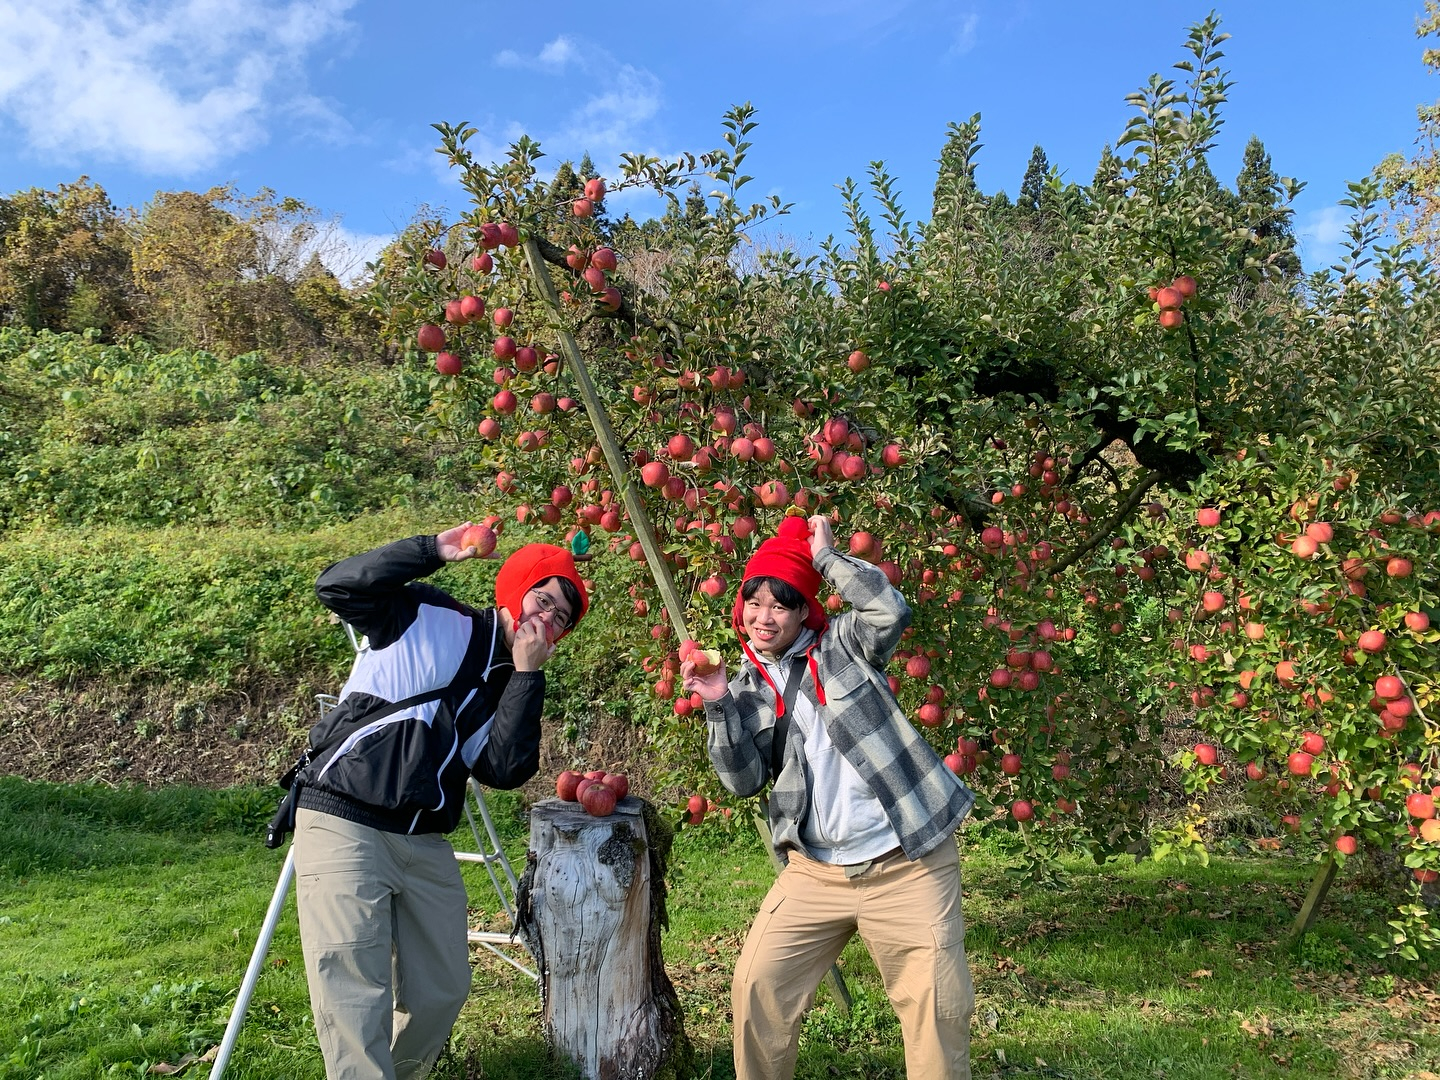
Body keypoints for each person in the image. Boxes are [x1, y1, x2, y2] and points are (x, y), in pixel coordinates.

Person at [282, 523, 587, 1080]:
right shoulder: (428, 615)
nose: (548, 618)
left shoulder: (511, 679)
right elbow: (338, 587)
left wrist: (525, 678)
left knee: (443, 988)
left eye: (561, 617)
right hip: (345, 816)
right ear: (514, 589)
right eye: (543, 599)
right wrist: (435, 550)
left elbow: (504, 768)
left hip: (422, 840)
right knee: (355, 990)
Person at [682, 513, 976, 1080]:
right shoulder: (743, 684)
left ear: (803, 612)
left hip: (906, 863)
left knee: (935, 1012)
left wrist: (825, 560)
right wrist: (717, 702)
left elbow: (889, 610)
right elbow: (741, 781)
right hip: (815, 873)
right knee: (757, 989)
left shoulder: (843, 644)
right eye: (754, 602)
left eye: (780, 604)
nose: (763, 617)